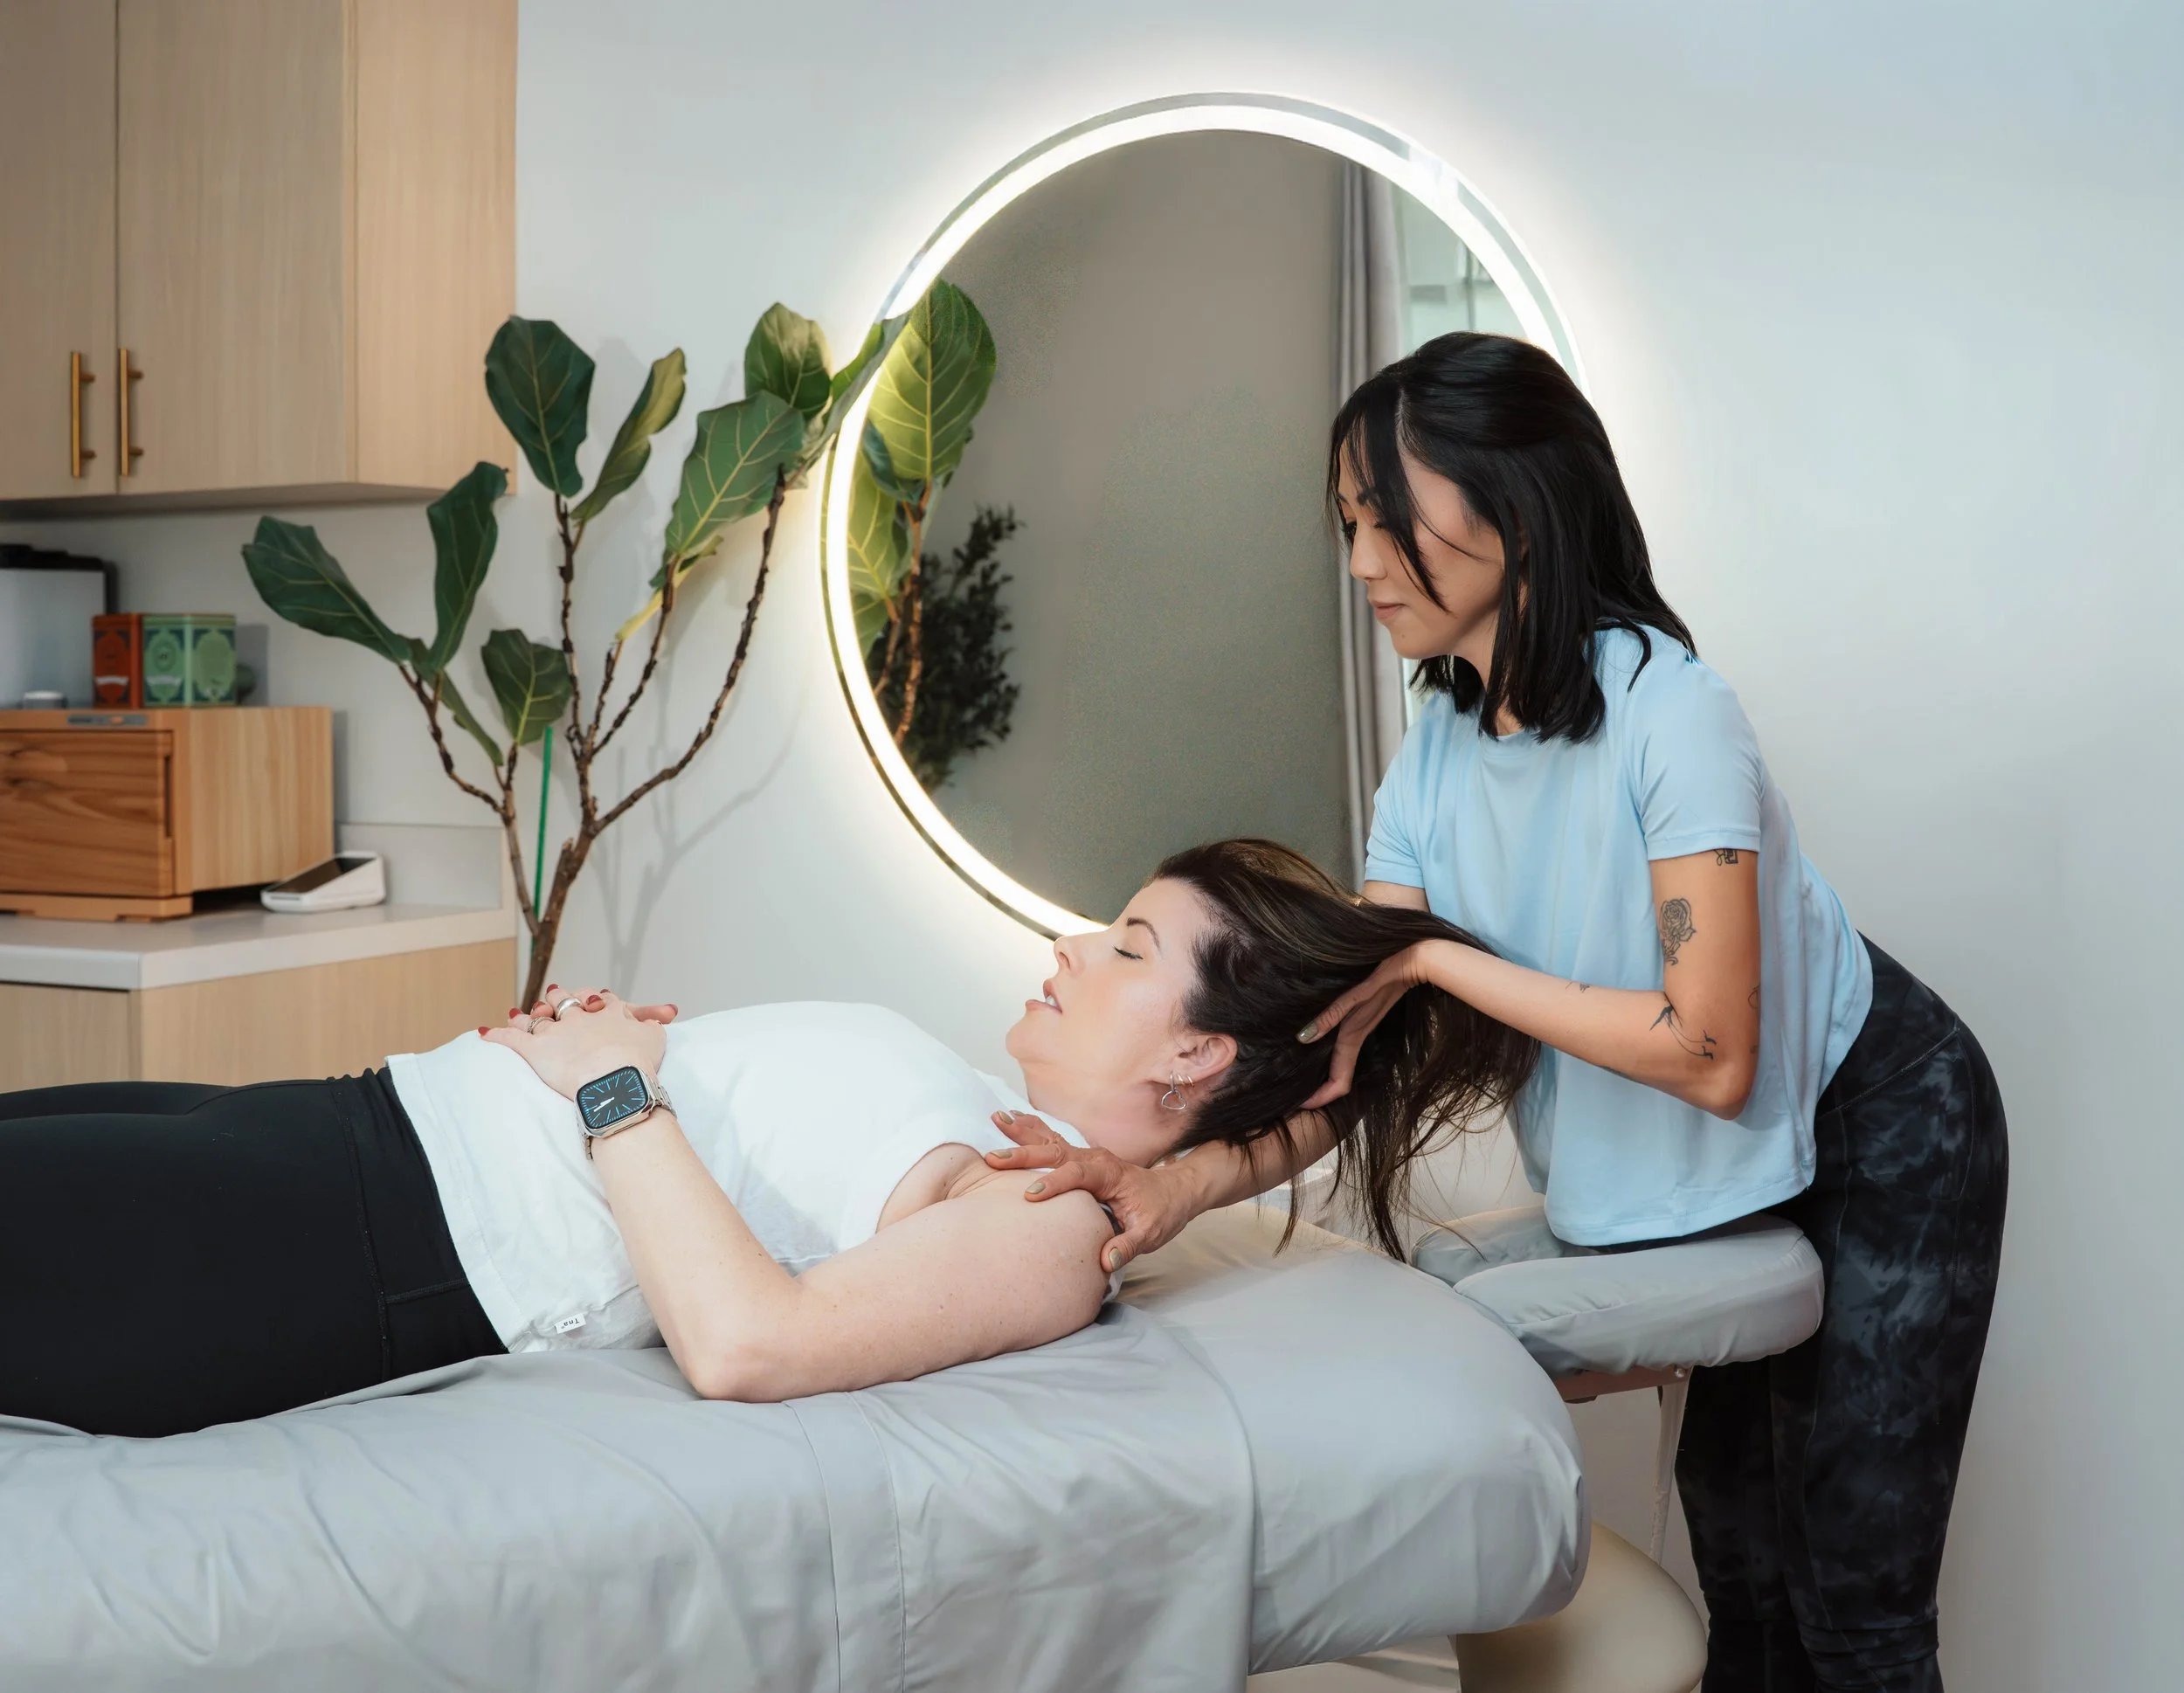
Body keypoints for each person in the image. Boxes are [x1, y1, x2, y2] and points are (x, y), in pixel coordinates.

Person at [992, 334, 2008, 1693]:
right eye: (1347, 523)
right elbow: (1357, 1057)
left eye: (1386, 515)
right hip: (1712, 1164)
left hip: (1890, 1122)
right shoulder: (1431, 767)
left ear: (1513, 502)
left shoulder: (1674, 712)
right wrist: (1171, 1185)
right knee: (1748, 1577)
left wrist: (1439, 961)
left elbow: (1713, 1053)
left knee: (1857, 1598)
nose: (1360, 560)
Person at [0, 840, 1532, 1441]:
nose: (1071, 940)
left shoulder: (1052, 1221)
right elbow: (1302, 1097)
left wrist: (614, 1082)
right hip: (355, 1129)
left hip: (373, 1235)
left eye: (1127, 944)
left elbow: (748, 1341)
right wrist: (629, 1057)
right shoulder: (1055, 1145)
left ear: (1201, 1047)